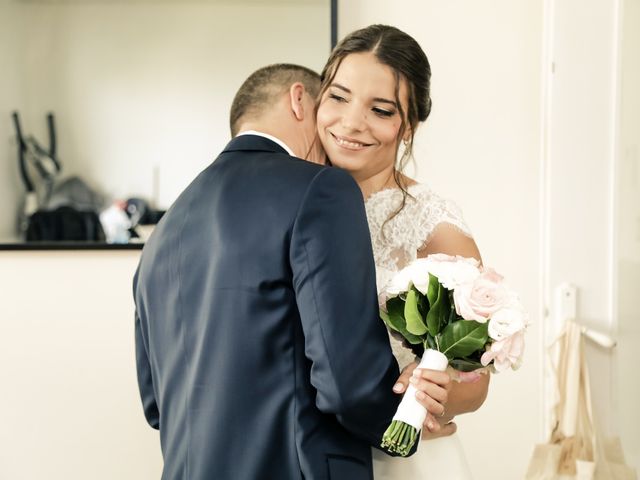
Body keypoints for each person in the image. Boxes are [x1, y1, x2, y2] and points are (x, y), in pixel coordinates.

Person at [133, 63, 449, 480]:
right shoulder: (320, 188)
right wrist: (403, 422)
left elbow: (156, 405)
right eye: (331, 103)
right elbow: (346, 383)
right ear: (300, 100)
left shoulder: (165, 229)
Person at [315, 25, 491, 479]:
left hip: (404, 460)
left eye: (380, 109)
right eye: (338, 97)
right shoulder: (289, 202)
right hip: (310, 456)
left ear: (408, 125)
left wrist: (440, 391)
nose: (352, 122)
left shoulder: (435, 225)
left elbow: (478, 376)